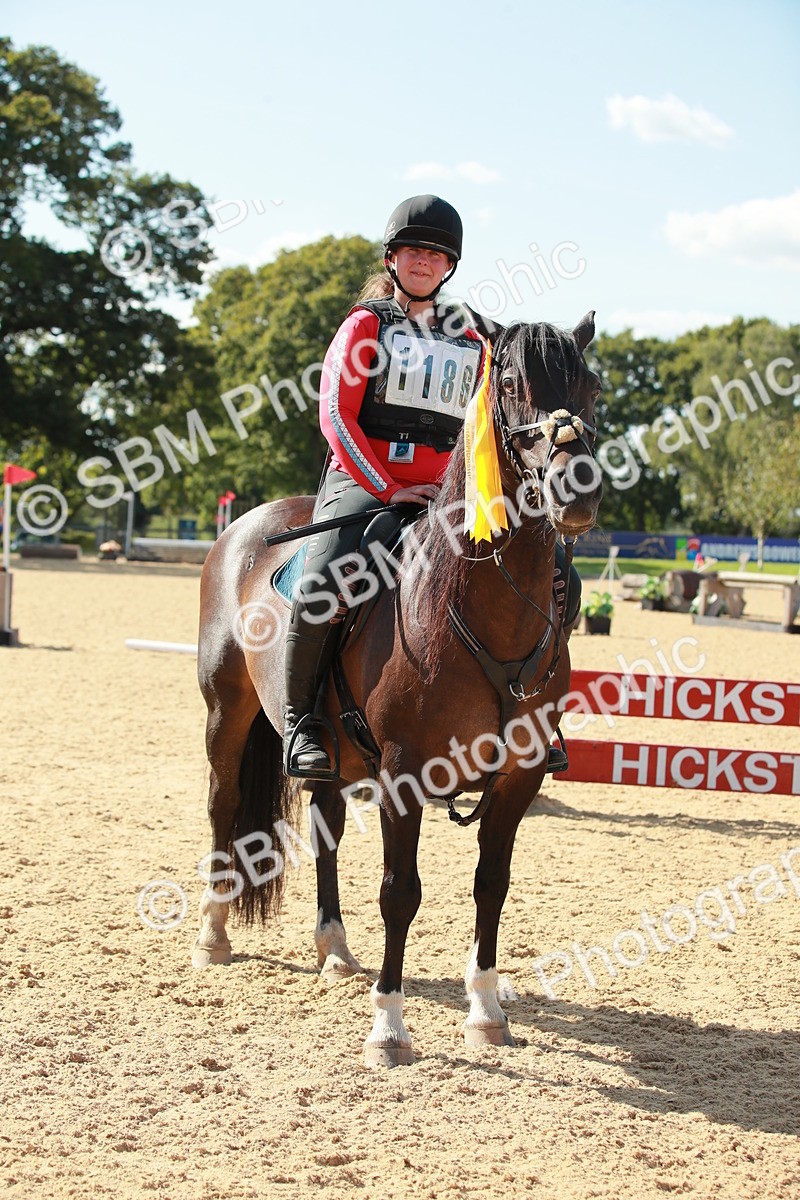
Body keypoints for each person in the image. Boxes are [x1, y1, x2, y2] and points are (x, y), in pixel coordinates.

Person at [283, 194, 484, 779]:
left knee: (535, 570)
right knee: (323, 582)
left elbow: (479, 424)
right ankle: (302, 724)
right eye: (414, 250)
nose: (424, 261)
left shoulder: (470, 338)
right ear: (394, 257)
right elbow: (336, 417)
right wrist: (387, 487)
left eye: (437, 254)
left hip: (446, 491)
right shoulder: (365, 324)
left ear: (449, 266)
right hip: (365, 479)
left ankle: (531, 715)